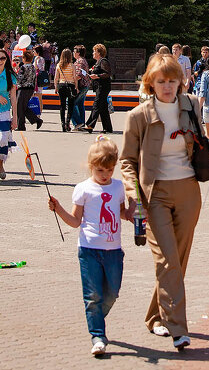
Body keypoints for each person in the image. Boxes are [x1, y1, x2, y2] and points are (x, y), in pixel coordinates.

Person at [120, 53, 209, 351]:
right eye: (161, 81)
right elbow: (127, 160)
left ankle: (155, 317)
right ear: (150, 83)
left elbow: (201, 141)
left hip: (189, 192)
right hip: (154, 195)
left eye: (172, 80)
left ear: (182, 81)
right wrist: (133, 194)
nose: (167, 86)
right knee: (167, 260)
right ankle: (178, 327)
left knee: (176, 262)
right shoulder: (138, 116)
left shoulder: (191, 104)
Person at [48, 138, 133, 356]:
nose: (105, 174)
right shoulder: (83, 189)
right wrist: (58, 209)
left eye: (110, 169)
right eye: (100, 170)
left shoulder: (118, 187)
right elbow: (76, 221)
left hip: (114, 250)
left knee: (112, 292)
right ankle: (97, 336)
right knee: (93, 294)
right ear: (91, 166)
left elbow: (121, 212)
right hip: (88, 249)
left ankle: (94, 316)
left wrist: (134, 215)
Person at [84, 44, 113, 134]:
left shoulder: (103, 61)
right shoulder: (98, 62)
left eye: (94, 51)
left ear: (99, 52)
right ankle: (107, 128)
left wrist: (97, 76)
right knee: (103, 107)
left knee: (96, 105)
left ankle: (90, 125)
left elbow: (107, 73)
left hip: (103, 87)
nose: (93, 53)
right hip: (99, 87)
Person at [0, 48, 17, 179]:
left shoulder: (10, 76)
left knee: (2, 139)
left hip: (4, 112)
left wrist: (15, 117)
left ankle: (0, 164)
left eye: (3, 58)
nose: (1, 61)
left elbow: (13, 97)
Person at [17, 49, 42, 131]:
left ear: (24, 58)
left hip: (23, 88)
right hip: (30, 88)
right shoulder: (33, 67)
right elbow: (35, 79)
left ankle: (21, 126)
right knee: (24, 107)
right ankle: (36, 120)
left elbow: (19, 79)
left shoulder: (23, 67)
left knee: (19, 107)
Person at [54, 48, 78, 132]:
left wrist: (56, 87)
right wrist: (76, 87)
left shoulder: (59, 65)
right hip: (70, 85)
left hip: (61, 85)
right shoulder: (72, 65)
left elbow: (56, 78)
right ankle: (68, 123)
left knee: (62, 105)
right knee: (70, 105)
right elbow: (75, 77)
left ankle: (62, 124)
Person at [72, 45, 91, 130]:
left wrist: (71, 79)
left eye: (74, 51)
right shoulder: (83, 60)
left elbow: (79, 75)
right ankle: (81, 124)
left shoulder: (79, 62)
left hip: (81, 86)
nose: (73, 53)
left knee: (71, 103)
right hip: (85, 85)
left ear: (78, 53)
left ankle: (78, 123)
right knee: (80, 104)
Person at [33, 44, 47, 112]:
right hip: (37, 78)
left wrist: (35, 61)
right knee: (37, 95)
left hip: (38, 79)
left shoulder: (39, 59)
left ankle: (40, 111)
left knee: (39, 95)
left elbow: (37, 68)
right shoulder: (40, 58)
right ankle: (37, 111)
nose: (33, 53)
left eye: (34, 51)